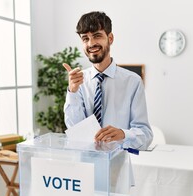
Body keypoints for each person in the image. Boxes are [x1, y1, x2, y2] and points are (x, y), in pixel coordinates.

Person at [63, 11, 153, 150]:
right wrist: (73, 92)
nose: (91, 43)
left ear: (110, 38)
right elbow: (75, 130)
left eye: (97, 36)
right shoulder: (78, 82)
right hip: (86, 163)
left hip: (119, 163)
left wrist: (123, 134)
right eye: (85, 38)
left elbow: (146, 135)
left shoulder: (133, 81)